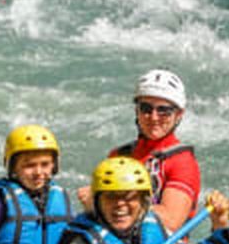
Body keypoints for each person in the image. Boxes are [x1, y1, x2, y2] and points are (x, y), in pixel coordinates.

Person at [79, 69, 200, 232]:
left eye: (164, 110)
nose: (154, 117)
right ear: (137, 110)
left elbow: (171, 220)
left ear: (178, 114)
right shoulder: (118, 156)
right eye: (146, 108)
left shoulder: (183, 163)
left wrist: (101, 204)